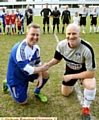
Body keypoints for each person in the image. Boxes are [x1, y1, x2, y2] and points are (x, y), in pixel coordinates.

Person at [47, 24, 96, 120]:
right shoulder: (61, 45)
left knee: (91, 85)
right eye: (68, 33)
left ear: (79, 34)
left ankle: (86, 107)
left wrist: (72, 76)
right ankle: (73, 84)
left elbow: (91, 73)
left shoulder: (87, 48)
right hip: (70, 70)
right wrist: (48, 65)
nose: (71, 36)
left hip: (84, 72)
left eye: (74, 33)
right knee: (65, 93)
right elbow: (57, 59)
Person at [3, 22, 49, 105]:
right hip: (16, 77)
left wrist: (40, 75)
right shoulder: (20, 49)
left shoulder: (36, 47)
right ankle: (8, 83)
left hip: (27, 73)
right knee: (23, 102)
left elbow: (38, 62)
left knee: (45, 74)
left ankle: (37, 92)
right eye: (33, 34)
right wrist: (42, 68)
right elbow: (27, 70)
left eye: (37, 35)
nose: (35, 37)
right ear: (27, 33)